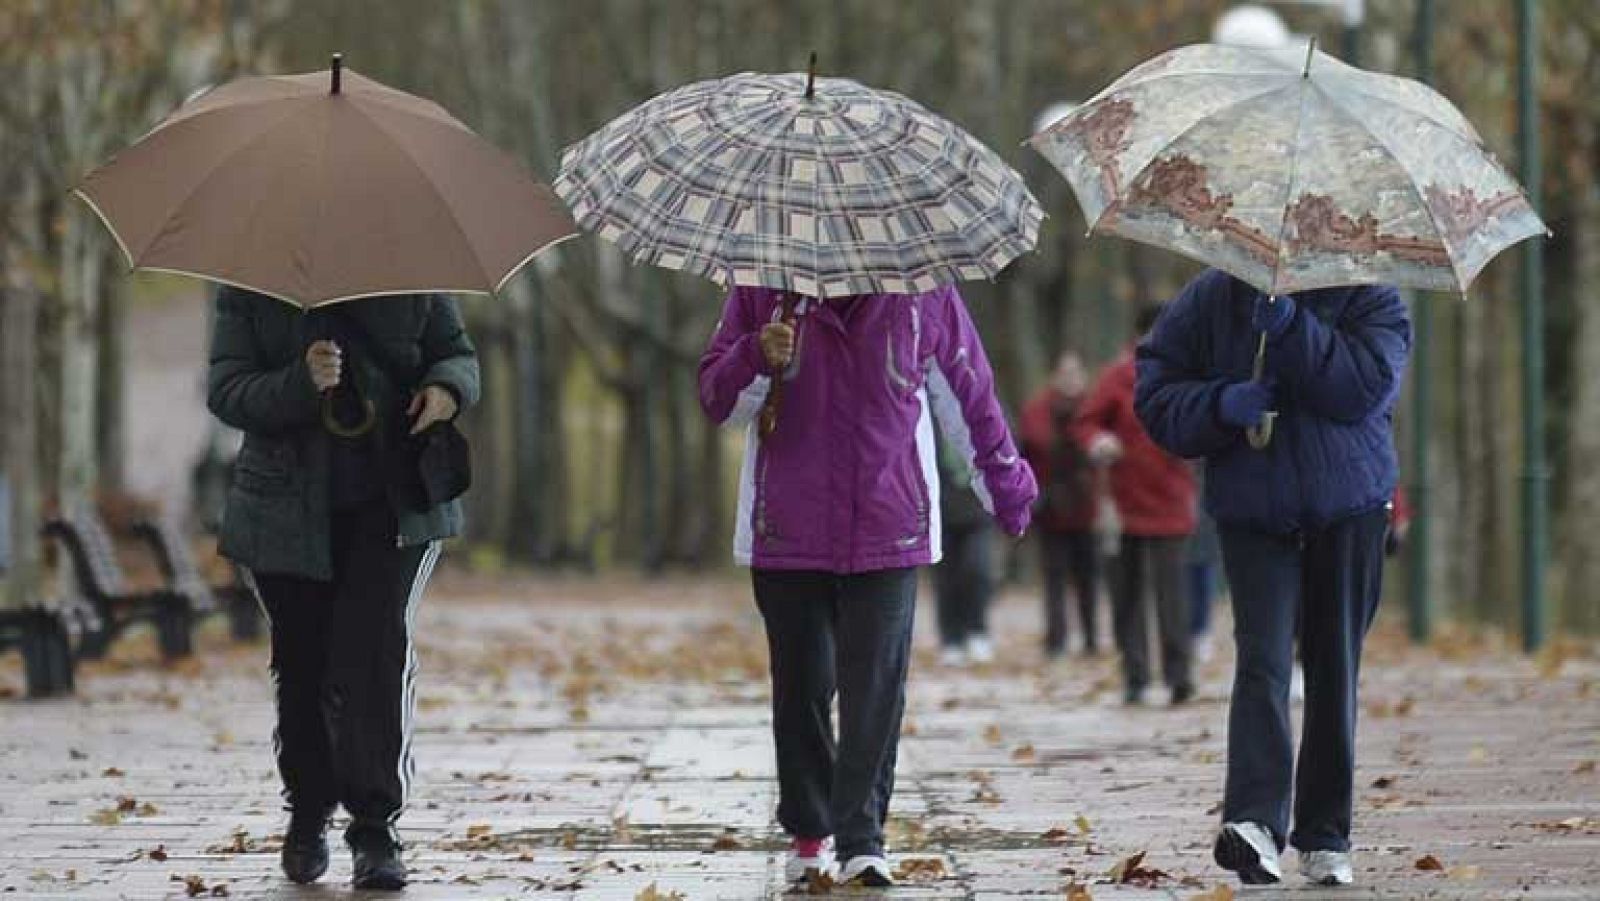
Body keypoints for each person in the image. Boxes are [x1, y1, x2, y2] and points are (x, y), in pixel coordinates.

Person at [699, 285, 1035, 888]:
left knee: (874, 689)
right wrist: (755, 355)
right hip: (787, 528)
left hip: (890, 525)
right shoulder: (760, 290)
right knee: (803, 685)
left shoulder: (923, 292)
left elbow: (968, 390)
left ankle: (862, 839)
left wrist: (1005, 481)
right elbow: (718, 403)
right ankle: (808, 826)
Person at [1134, 268, 1409, 888]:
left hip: (1351, 505)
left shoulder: (1373, 296)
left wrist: (1294, 328)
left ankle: (1325, 833)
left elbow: (1364, 388)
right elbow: (1155, 392)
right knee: (1261, 662)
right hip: (1254, 508)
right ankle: (1255, 823)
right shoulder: (1210, 297)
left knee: (1333, 664)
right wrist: (1220, 404)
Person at [207, 286, 479, 891]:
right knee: (303, 668)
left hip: (390, 509)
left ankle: (375, 829)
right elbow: (226, 390)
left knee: (375, 659)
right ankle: (307, 815)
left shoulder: (414, 264)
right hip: (282, 513)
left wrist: (446, 391)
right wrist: (301, 383)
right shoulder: (250, 282)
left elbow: (458, 356)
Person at [1077, 305, 1196, 706]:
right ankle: (1136, 675)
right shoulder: (1116, 376)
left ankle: (1179, 674)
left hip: (1171, 498)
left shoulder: (1187, 371)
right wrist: (1097, 441)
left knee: (1171, 594)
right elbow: (1087, 421)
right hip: (1122, 502)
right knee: (1126, 593)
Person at [1020, 352, 1100, 657]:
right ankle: (1057, 639)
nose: (1070, 379)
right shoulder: (1038, 410)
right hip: (1051, 508)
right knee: (1054, 576)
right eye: (1065, 373)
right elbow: (1029, 446)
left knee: (1088, 577)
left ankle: (1091, 637)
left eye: (1075, 373)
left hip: (1085, 507)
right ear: (1054, 376)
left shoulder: (1092, 408)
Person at [932, 436, 996, 666]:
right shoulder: (927, 406)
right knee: (946, 578)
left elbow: (1005, 446)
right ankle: (951, 639)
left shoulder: (983, 403)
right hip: (941, 509)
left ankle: (978, 630)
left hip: (978, 508)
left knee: (977, 570)